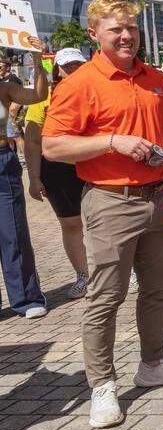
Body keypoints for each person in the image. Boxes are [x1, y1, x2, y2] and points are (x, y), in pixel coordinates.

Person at [41, 0, 163, 429]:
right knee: (106, 297)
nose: (127, 36)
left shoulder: (154, 78)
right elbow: (53, 146)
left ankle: (153, 364)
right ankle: (102, 385)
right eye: (116, 29)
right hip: (111, 200)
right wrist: (111, 141)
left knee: (158, 289)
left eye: (131, 28)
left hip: (160, 197)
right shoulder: (78, 84)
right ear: (94, 34)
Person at [23, 48, 90, 299]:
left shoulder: (97, 91)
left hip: (94, 164)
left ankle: (123, 271)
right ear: (57, 69)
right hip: (57, 169)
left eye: (77, 64)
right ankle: (84, 275)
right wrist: (35, 178)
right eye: (67, 65)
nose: (73, 69)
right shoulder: (43, 98)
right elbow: (31, 141)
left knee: (106, 221)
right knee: (72, 224)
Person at [0, 41, 49, 320]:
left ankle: (26, 298)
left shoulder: (4, 88)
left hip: (2, 165)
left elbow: (39, 95)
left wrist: (38, 61)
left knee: (13, 233)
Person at [1, 57, 26, 157]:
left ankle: (28, 160)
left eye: (0, 67)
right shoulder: (3, 80)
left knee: (17, 137)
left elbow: (19, 98)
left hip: (12, 114)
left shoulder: (13, 79)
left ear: (8, 68)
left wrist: (13, 116)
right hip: (5, 113)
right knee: (10, 138)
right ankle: (14, 157)